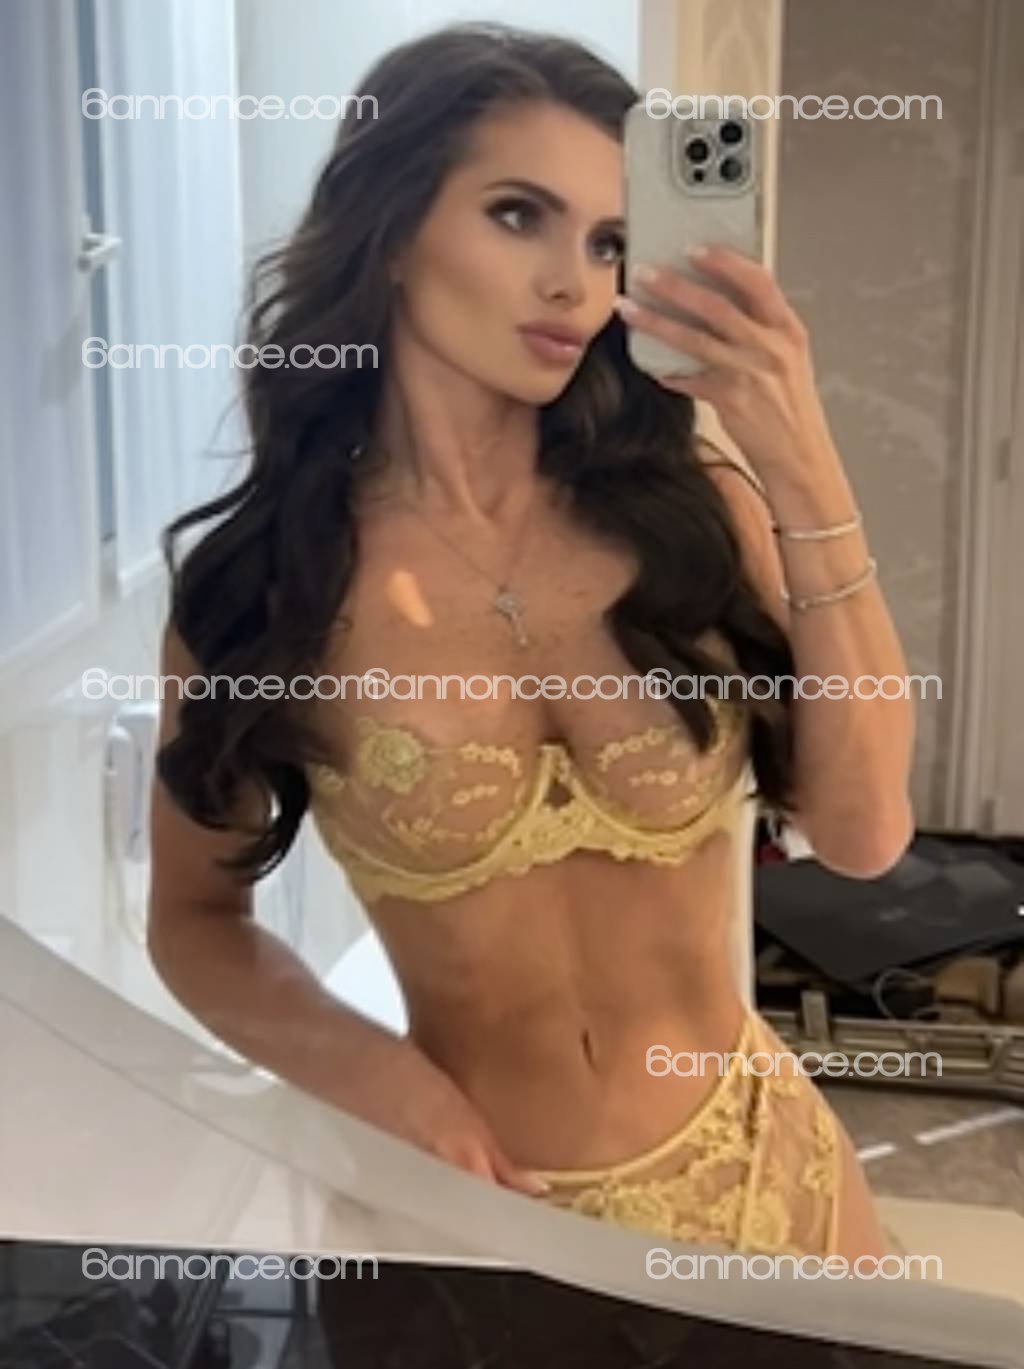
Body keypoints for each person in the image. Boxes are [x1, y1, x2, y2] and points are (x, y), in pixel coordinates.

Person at [146, 22, 915, 1266]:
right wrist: (383, 1080)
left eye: (610, 241)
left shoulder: (689, 514)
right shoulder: (267, 586)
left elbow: (866, 831)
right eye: (519, 216)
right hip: (470, 1222)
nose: (576, 283)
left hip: (770, 1197)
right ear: (393, 231)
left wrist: (801, 460)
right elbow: (194, 920)